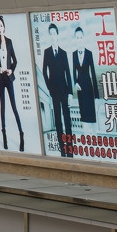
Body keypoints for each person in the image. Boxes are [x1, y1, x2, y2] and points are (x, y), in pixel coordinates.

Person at [41, 23, 74, 156]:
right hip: (54, 92)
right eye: (51, 34)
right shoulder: (47, 52)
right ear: (49, 36)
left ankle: (70, 147)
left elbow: (68, 74)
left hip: (64, 91)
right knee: (58, 120)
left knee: (67, 119)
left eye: (54, 33)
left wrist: (70, 93)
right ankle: (62, 148)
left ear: (57, 35)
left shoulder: (63, 53)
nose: (53, 36)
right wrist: (49, 88)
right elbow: (44, 72)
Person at [0, 16, 23, 150]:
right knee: (2, 106)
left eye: (1, 26)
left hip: (9, 77)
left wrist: (11, 70)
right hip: (1, 78)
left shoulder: (9, 42)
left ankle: (21, 135)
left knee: (14, 106)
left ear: (4, 27)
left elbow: (15, 60)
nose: (0, 28)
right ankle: (4, 136)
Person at [72, 26, 98, 125]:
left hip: (89, 88)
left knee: (92, 117)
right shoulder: (74, 54)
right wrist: (75, 83)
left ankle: (94, 134)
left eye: (81, 37)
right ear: (75, 39)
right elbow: (74, 72)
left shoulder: (89, 53)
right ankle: (86, 134)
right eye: (77, 38)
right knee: (83, 117)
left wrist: (97, 96)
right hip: (80, 89)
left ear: (83, 38)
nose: (79, 40)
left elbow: (93, 74)